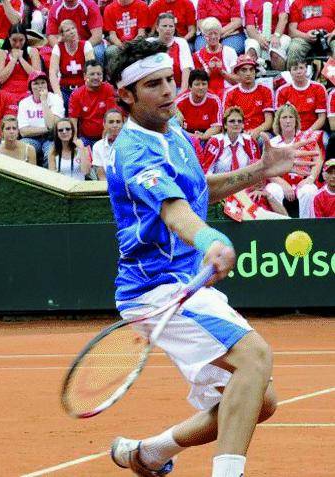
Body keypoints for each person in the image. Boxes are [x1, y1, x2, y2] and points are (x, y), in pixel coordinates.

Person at [105, 38, 316, 477]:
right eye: (152, 85)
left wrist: (260, 171)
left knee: (259, 399)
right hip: (157, 290)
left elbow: (197, 191)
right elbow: (172, 208)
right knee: (255, 358)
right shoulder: (133, 150)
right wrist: (208, 241)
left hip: (187, 282)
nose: (168, 91)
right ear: (126, 95)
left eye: (168, 80)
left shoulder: (174, 132)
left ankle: (148, 452)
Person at [264, 103, 322, 218]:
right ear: (278, 121)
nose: (288, 121)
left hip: (303, 180)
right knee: (271, 190)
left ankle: (306, 225)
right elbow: (266, 168)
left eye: (291, 117)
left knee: (309, 191)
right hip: (280, 182)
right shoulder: (272, 143)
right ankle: (280, 224)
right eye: (284, 117)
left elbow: (318, 160)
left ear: (296, 120)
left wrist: (310, 179)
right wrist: (283, 184)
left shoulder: (306, 139)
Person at [222, 55, 274, 141]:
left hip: (259, 131)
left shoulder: (265, 91)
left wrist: (256, 131)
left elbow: (269, 121)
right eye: (244, 70)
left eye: (251, 69)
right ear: (237, 73)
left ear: (255, 72)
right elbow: (226, 121)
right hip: (236, 131)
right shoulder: (230, 93)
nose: (248, 73)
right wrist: (241, 132)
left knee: (263, 139)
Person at [17, 70, 64, 165]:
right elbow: (23, 131)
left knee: (51, 154)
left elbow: (52, 125)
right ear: (30, 86)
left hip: (52, 138)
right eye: (36, 83)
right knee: (23, 149)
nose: (40, 86)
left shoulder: (56, 99)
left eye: (43, 82)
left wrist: (43, 101)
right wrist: (47, 129)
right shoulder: (24, 103)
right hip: (32, 139)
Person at [48, 19, 95, 112]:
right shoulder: (58, 48)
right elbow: (52, 72)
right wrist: (58, 94)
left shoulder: (86, 45)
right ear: (62, 35)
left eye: (73, 28)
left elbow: (91, 69)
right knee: (58, 105)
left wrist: (87, 90)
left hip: (83, 87)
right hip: (65, 89)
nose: (72, 32)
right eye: (67, 30)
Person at [68, 59, 116, 146]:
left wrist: (107, 137)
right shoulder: (76, 94)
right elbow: (73, 120)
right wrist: (74, 140)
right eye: (92, 74)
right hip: (85, 138)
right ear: (85, 76)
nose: (96, 77)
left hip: (106, 136)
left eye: (99, 74)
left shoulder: (109, 89)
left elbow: (112, 115)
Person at [201, 106, 262, 174]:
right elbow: (207, 171)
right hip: (219, 182)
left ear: (243, 125)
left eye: (239, 121)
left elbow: (256, 169)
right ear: (225, 125)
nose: (236, 124)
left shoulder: (249, 141)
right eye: (232, 121)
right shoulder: (215, 142)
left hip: (245, 182)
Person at [45, 0, 105, 66]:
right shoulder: (55, 8)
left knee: (97, 52)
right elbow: (51, 36)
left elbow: (97, 36)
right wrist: (64, 51)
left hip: (89, 43)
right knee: (49, 53)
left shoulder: (90, 5)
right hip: (66, 47)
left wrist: (80, 49)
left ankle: (97, 75)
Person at [275, 58, 327, 132]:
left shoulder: (319, 88)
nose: (299, 72)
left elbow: (321, 118)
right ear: (290, 72)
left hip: (314, 130)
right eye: (295, 69)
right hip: (290, 132)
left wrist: (307, 133)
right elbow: (279, 118)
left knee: (325, 141)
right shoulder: (282, 91)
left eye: (301, 68)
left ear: (306, 69)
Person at [193, 17, 238, 96]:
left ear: (220, 34)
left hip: (228, 93)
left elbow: (237, 81)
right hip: (206, 95)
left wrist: (222, 71)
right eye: (210, 34)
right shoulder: (197, 55)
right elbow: (197, 85)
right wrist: (209, 71)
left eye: (216, 33)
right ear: (203, 36)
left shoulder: (230, 51)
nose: (213, 37)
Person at [0, 23, 42, 97]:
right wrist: (14, 59)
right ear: (9, 38)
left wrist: (21, 59)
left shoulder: (33, 51)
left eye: (21, 40)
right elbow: (0, 80)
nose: (17, 44)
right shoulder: (1, 53)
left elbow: (37, 77)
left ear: (25, 38)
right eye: (14, 40)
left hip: (28, 93)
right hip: (6, 94)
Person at [174, 69, 222, 142]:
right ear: (190, 87)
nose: (201, 87)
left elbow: (216, 127)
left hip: (207, 138)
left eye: (204, 84)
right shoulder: (179, 102)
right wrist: (193, 137)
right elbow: (174, 128)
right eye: (197, 84)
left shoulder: (215, 100)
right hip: (185, 138)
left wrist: (203, 137)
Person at [150, 12, 193, 92]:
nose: (168, 29)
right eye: (164, 26)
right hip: (155, 90)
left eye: (171, 26)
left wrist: (182, 93)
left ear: (174, 28)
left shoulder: (181, 42)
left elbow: (186, 69)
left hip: (177, 88)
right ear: (157, 28)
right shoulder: (149, 43)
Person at [243, 0, 290, 71]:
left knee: (275, 51)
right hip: (257, 35)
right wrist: (259, 39)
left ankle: (279, 78)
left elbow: (283, 18)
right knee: (251, 50)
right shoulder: (249, 3)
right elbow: (249, 27)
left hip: (279, 34)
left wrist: (276, 35)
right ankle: (255, 78)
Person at [286, 0, 335, 67]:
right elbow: (291, 31)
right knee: (294, 48)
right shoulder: (297, 3)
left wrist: (333, 33)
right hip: (303, 38)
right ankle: (294, 76)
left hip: (330, 37)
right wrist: (306, 36)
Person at [91, 108, 123, 182]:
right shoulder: (97, 146)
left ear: (122, 124)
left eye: (118, 122)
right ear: (104, 124)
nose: (115, 125)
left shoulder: (130, 143)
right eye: (111, 122)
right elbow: (101, 174)